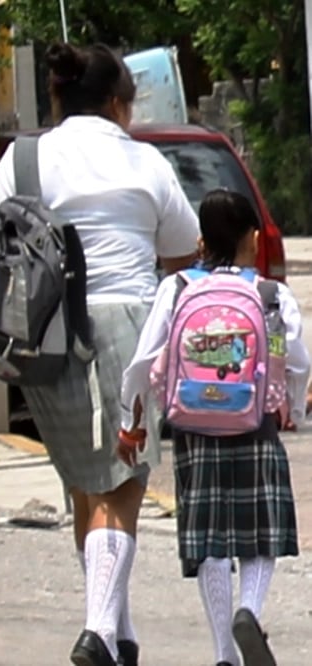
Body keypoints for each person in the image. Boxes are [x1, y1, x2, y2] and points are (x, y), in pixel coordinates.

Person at [0, 43, 201, 666]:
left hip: (43, 332)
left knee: (84, 486)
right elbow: (183, 250)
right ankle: (98, 630)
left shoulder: (24, 156)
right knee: (122, 485)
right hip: (128, 325)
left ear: (55, 98)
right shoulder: (145, 160)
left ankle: (120, 638)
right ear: (119, 103)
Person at [119, 190, 308, 666]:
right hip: (255, 425)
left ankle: (225, 651)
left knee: (210, 544)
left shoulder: (177, 288)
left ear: (201, 242)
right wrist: (295, 415)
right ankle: (250, 608)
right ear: (253, 238)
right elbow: (297, 364)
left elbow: (143, 361)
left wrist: (131, 420)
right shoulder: (271, 296)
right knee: (262, 535)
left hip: (193, 428)